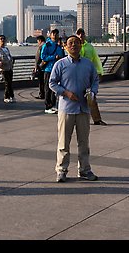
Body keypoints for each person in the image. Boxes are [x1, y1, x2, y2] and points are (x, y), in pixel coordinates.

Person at [49, 35, 100, 182]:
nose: (74, 45)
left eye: (77, 43)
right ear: (65, 46)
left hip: (84, 108)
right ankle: (61, 170)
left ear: (81, 45)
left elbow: (95, 81)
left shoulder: (88, 64)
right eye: (70, 43)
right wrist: (65, 92)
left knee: (84, 142)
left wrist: (93, 92)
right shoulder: (60, 64)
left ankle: (84, 170)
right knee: (63, 142)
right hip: (66, 108)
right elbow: (52, 83)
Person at [75, 28, 107, 126]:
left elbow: (96, 59)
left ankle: (97, 119)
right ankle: (75, 119)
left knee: (91, 97)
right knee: (75, 97)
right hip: (76, 75)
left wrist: (99, 71)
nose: (80, 36)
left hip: (88, 75)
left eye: (82, 34)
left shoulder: (90, 47)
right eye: (78, 34)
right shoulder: (73, 46)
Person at [40, 29, 65, 114]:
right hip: (48, 69)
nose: (54, 35)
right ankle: (47, 106)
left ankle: (53, 105)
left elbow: (62, 57)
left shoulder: (59, 46)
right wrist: (54, 57)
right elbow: (43, 57)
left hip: (57, 69)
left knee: (55, 89)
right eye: (53, 34)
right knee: (48, 88)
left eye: (56, 34)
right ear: (50, 35)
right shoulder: (46, 45)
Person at [0, 35, 15, 103]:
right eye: (1, 39)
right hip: (3, 69)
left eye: (4, 39)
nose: (2, 40)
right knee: (7, 83)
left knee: (9, 83)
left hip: (9, 68)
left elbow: (9, 56)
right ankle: (8, 97)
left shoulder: (6, 49)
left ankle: (9, 97)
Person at [32, 35, 46, 99]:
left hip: (41, 67)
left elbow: (37, 58)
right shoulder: (47, 46)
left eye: (38, 41)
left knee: (41, 81)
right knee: (45, 81)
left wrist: (36, 67)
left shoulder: (41, 47)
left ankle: (41, 94)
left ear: (40, 40)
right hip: (46, 67)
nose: (38, 42)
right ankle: (46, 93)